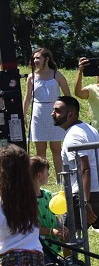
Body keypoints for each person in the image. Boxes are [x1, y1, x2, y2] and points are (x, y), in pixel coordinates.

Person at [53, 96, 99, 258]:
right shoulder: (89, 129)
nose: (52, 114)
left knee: (65, 232)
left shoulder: (73, 136)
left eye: (57, 111)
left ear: (70, 115)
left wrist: (85, 201)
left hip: (85, 194)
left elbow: (85, 169)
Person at [23, 47, 70, 179]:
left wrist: (68, 115)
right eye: (34, 58)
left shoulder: (57, 75)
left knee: (56, 148)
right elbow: (27, 99)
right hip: (38, 115)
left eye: (38, 58)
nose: (35, 60)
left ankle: (61, 181)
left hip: (55, 114)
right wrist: (24, 115)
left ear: (46, 59)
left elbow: (68, 96)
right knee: (40, 151)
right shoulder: (32, 77)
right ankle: (41, 180)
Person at [30, 157, 65, 259]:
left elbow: (53, 215)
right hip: (39, 247)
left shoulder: (47, 194)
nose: (49, 174)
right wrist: (51, 231)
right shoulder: (28, 199)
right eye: (47, 171)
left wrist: (60, 226)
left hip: (53, 245)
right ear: (39, 175)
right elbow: (33, 228)